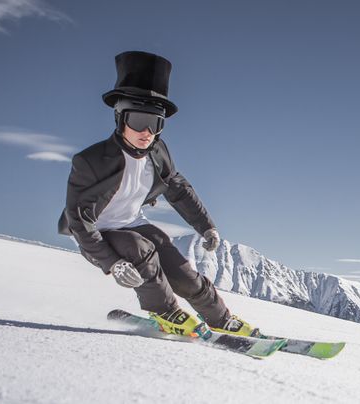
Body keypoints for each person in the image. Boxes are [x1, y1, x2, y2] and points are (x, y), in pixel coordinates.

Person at [57, 50, 254, 338]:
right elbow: (79, 221)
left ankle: (220, 319)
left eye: (155, 123)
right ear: (120, 117)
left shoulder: (158, 154)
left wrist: (206, 226)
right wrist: (111, 262)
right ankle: (167, 313)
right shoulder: (91, 161)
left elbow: (178, 188)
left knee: (181, 270)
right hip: (97, 233)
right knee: (140, 248)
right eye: (138, 120)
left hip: (133, 222)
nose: (146, 132)